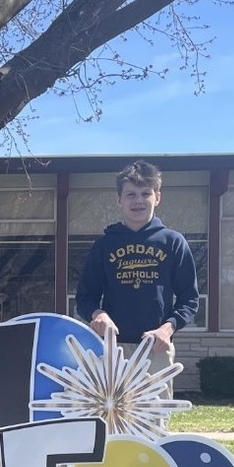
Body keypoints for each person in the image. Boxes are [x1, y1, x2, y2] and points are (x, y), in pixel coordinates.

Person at [75, 160, 199, 381]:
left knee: (154, 416)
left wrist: (167, 330)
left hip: (156, 349)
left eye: (145, 193)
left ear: (157, 197)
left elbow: (189, 299)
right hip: (111, 350)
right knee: (110, 416)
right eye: (131, 194)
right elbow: (85, 298)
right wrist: (98, 314)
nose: (138, 200)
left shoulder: (173, 242)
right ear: (119, 200)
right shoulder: (104, 245)